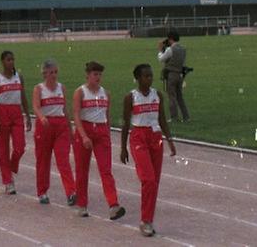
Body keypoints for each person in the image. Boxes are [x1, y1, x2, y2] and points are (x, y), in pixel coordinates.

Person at [120, 64, 176, 237]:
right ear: (138, 78)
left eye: (151, 76)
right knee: (148, 179)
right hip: (139, 136)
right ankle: (145, 220)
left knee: (154, 182)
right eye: (146, 76)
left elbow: (162, 119)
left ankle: (148, 220)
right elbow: (125, 123)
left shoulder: (157, 95)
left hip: (155, 137)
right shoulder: (131, 97)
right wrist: (123, 148)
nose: (149, 79)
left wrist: (170, 140)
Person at [72, 61, 125, 220]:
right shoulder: (80, 93)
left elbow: (107, 115)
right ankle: (82, 205)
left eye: (100, 74)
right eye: (95, 74)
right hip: (85, 130)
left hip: (101, 132)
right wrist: (83, 136)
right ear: (87, 75)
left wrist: (107, 133)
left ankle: (113, 205)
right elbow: (75, 115)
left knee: (106, 169)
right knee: (82, 170)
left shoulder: (105, 93)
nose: (98, 77)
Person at [32, 59, 76, 206]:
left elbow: (65, 109)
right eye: (51, 72)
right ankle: (42, 192)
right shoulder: (39, 89)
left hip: (60, 126)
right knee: (43, 161)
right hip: (44, 127)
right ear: (44, 73)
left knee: (63, 160)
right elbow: (36, 107)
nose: (54, 75)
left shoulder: (61, 88)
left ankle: (71, 192)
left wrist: (70, 130)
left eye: (55, 72)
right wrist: (42, 117)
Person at [0, 50, 31, 195]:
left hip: (16, 114)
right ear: (2, 62)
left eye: (13, 59)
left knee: (20, 146)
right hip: (3, 114)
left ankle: (13, 165)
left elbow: (23, 96)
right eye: (8, 60)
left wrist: (27, 115)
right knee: (3, 150)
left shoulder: (18, 77)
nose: (11, 62)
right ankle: (8, 181)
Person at [157, 31, 190, 122]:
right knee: (180, 96)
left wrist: (160, 50)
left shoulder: (170, 49)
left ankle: (174, 117)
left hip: (171, 74)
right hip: (180, 74)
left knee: (172, 96)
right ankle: (186, 116)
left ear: (170, 38)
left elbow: (161, 59)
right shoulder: (183, 49)